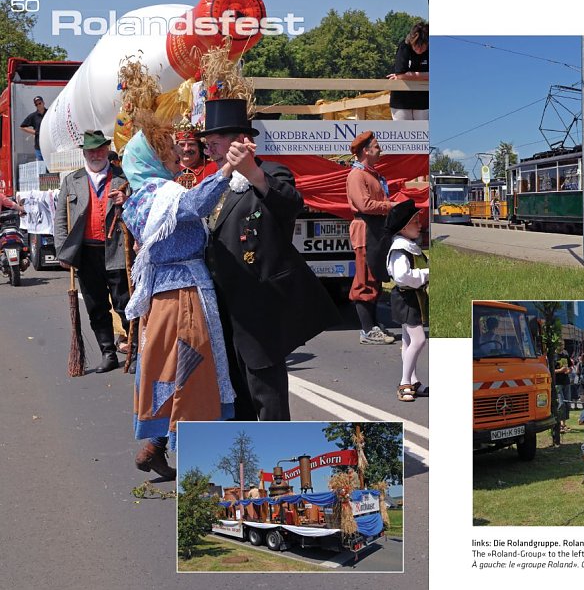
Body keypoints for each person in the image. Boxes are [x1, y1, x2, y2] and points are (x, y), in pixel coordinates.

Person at [202, 98, 340, 421]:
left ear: (239, 139)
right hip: (225, 310)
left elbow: (290, 204)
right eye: (208, 145)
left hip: (259, 309)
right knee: (236, 396)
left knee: (268, 398)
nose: (211, 151)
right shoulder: (218, 185)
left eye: (216, 143)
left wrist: (253, 173)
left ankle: (279, 457)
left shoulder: (270, 172)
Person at [120, 111, 238, 478]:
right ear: (150, 160)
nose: (175, 155)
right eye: (167, 151)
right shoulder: (159, 194)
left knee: (171, 371)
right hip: (182, 296)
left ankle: (156, 446)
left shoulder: (140, 197)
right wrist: (226, 172)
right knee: (192, 372)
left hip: (164, 297)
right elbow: (194, 206)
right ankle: (196, 465)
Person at [53, 130, 134, 373]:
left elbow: (140, 205)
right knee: (96, 306)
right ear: (84, 153)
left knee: (125, 303)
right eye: (91, 151)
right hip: (87, 253)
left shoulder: (123, 177)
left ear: (107, 150)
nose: (96, 154)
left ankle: (135, 349)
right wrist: (62, 251)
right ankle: (108, 353)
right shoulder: (72, 180)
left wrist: (127, 200)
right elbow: (60, 220)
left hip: (118, 250)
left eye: (100, 149)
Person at [347, 131, 395, 345]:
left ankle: (373, 325)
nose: (380, 150)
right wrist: (390, 206)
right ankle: (367, 330)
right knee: (364, 280)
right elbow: (365, 205)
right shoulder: (357, 175)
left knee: (375, 276)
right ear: (365, 150)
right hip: (365, 230)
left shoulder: (371, 174)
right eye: (376, 146)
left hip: (375, 229)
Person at [384, 199, 429, 402]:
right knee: (418, 340)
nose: (420, 225)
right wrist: (426, 274)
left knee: (408, 340)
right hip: (406, 297)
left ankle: (413, 380)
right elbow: (402, 276)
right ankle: (404, 383)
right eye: (415, 222)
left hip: (412, 296)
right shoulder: (400, 249)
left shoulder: (407, 246)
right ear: (403, 227)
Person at [387, 21, 429, 120]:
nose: (419, 49)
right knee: (402, 132)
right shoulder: (404, 46)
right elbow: (400, 74)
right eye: (415, 46)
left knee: (423, 132)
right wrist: (427, 75)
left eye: (422, 46)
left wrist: (408, 75)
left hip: (423, 100)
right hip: (401, 100)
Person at [175, 122, 219, 188]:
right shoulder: (168, 170)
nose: (186, 149)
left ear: (199, 147)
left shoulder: (215, 168)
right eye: (182, 145)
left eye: (191, 144)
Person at [19, 96, 48, 161]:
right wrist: (35, 132)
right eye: (36, 104)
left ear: (43, 103)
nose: (38, 105)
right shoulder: (33, 116)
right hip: (39, 147)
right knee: (41, 168)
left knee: (51, 168)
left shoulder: (49, 113)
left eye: (39, 103)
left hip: (49, 145)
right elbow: (22, 127)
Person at [553, 345, 572, 428]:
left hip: (566, 382)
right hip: (557, 382)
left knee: (567, 403)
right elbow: (550, 370)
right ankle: (560, 424)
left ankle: (563, 423)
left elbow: (570, 367)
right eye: (560, 344)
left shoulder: (565, 356)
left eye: (563, 344)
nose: (562, 346)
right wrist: (560, 370)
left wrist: (569, 371)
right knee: (561, 403)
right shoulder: (553, 356)